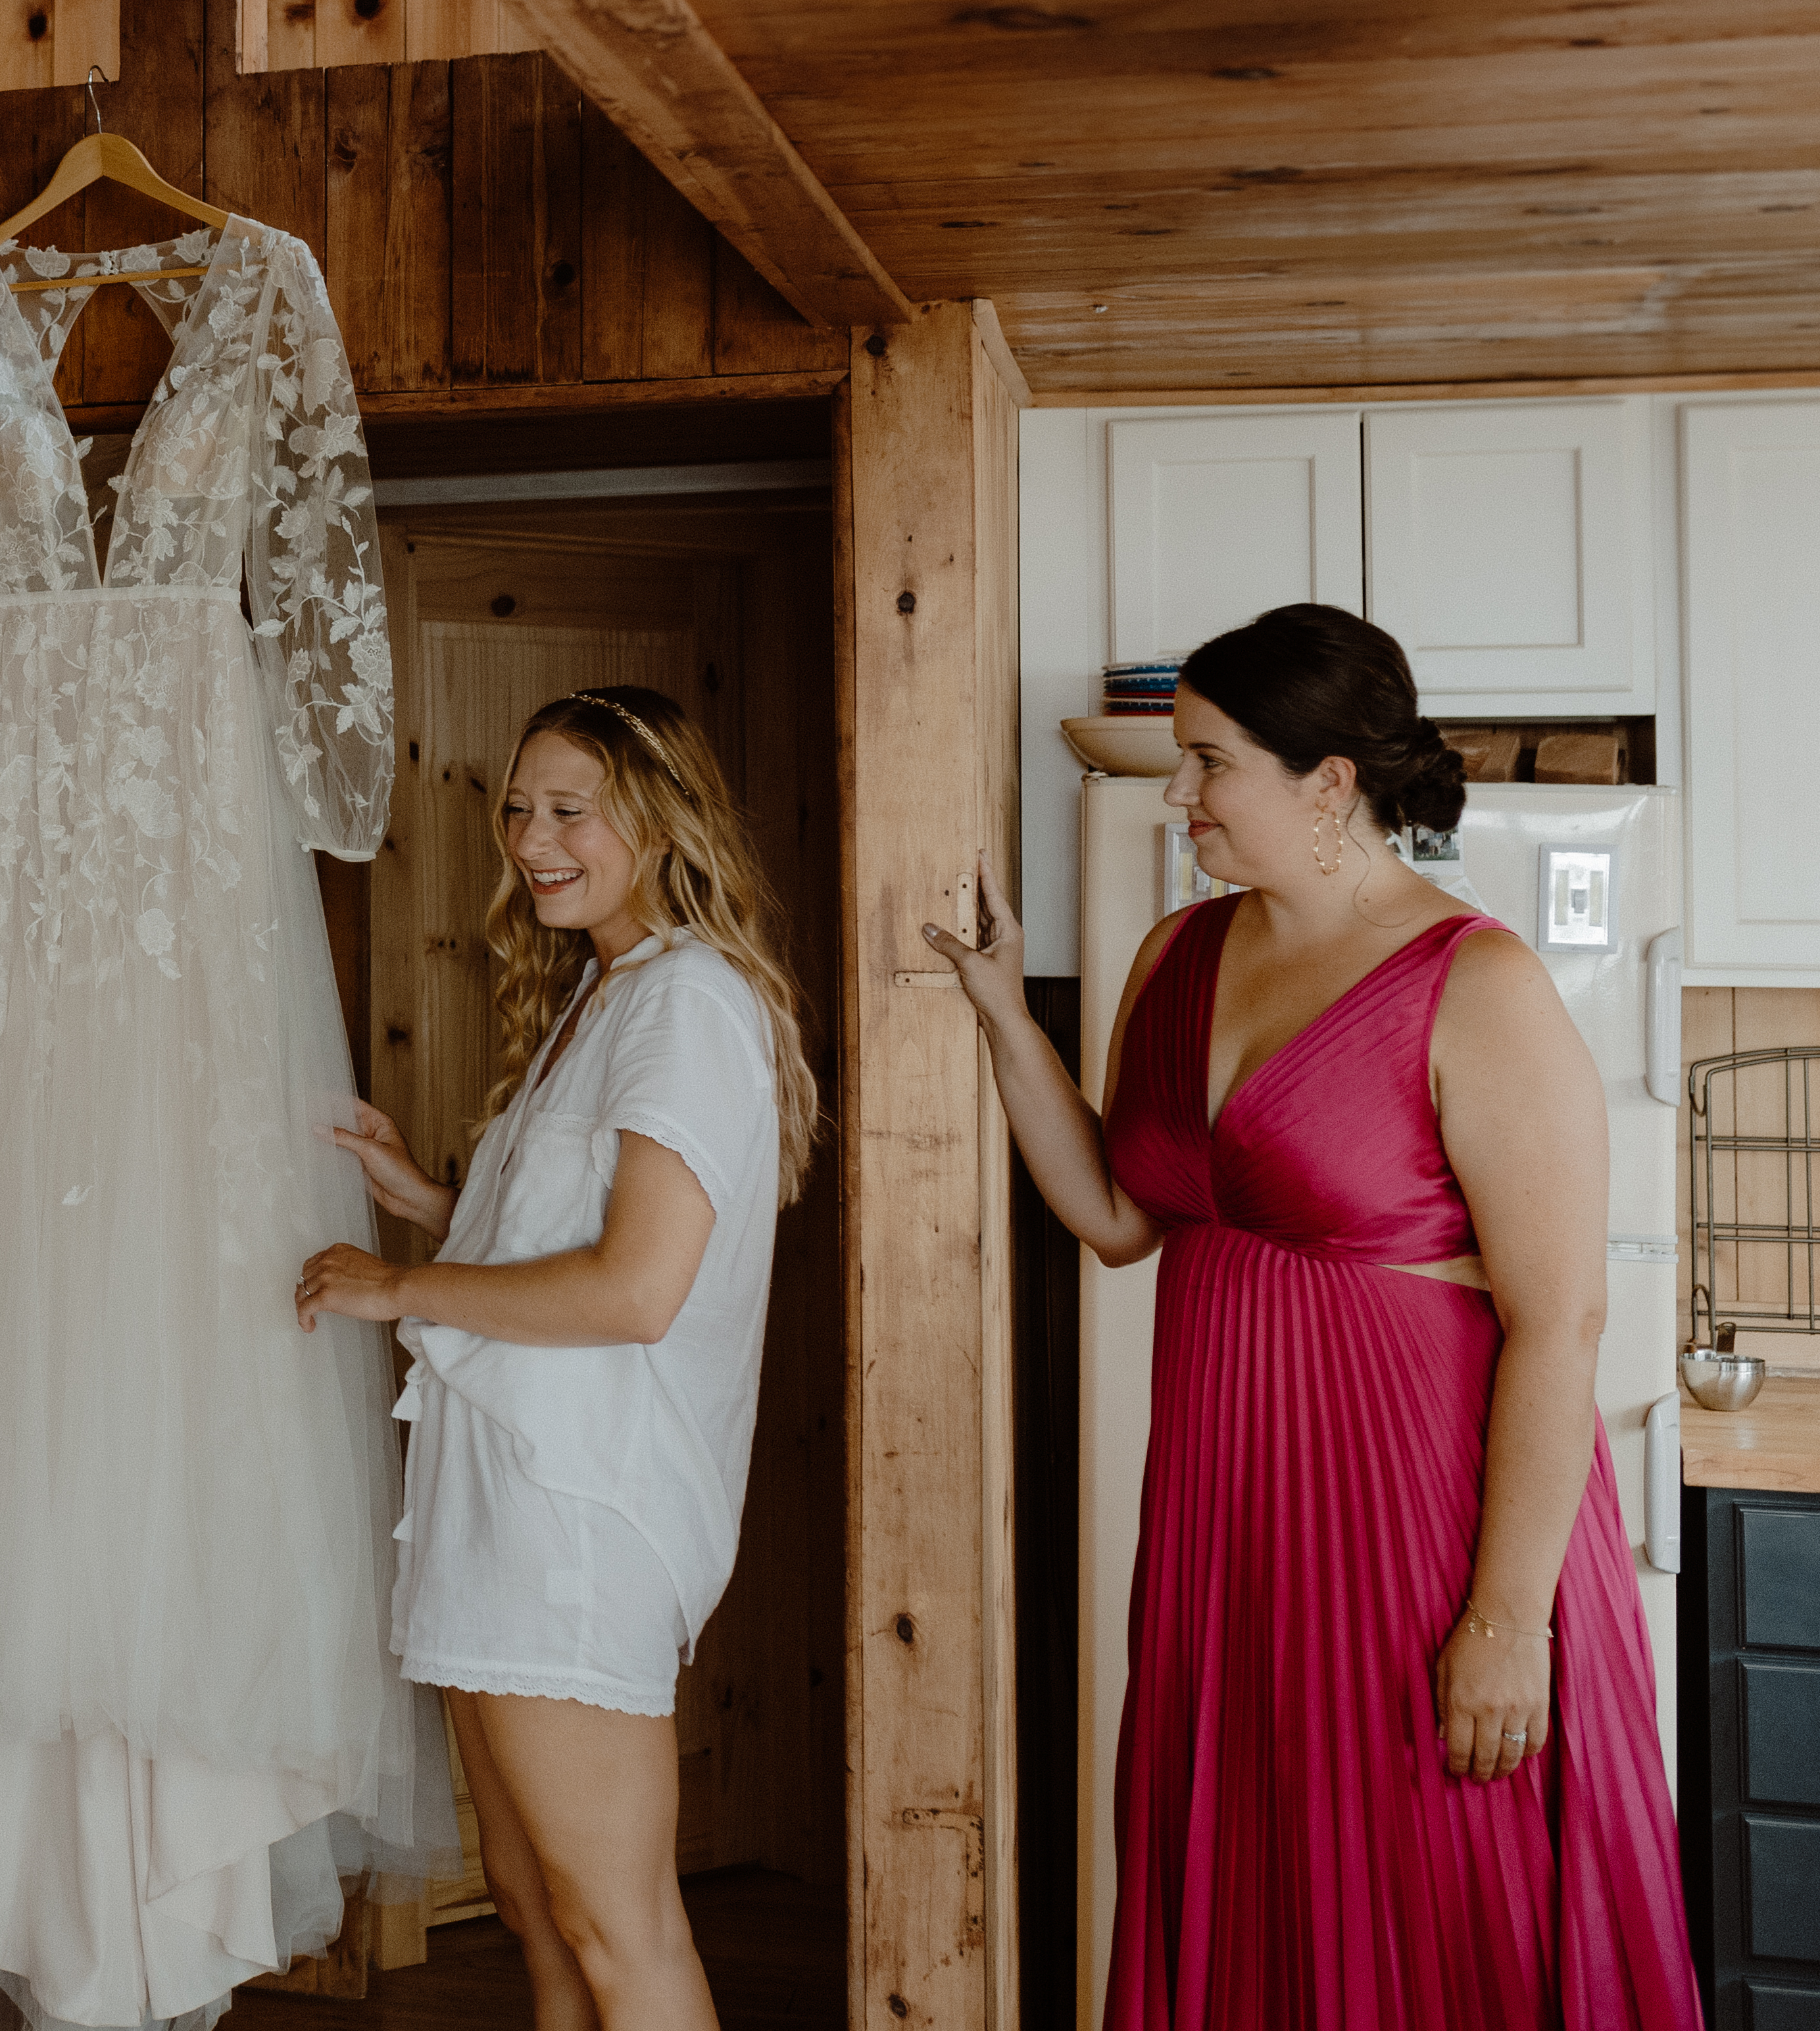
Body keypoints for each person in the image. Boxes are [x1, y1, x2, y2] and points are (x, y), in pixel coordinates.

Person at [924, 603, 1695, 2028]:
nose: (1179, 795)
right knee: (1259, 1898)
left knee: (1446, 1909)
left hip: (1423, 1539)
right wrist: (997, 1011)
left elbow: (1560, 1324)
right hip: (1233, 1540)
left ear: (1326, 782)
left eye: (1208, 762)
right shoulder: (1171, 955)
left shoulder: (1480, 983)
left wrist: (1508, 1620)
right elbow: (1112, 1219)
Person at [295, 683, 814, 2031]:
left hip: (579, 1521)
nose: (534, 837)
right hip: (502, 1507)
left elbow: (635, 1288)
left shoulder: (688, 1002)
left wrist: (401, 1281)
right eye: (518, 807)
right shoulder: (606, 989)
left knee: (616, 1927)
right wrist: (427, 1196)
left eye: (570, 809)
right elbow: (563, 1236)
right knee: (538, 1916)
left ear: (658, 817)